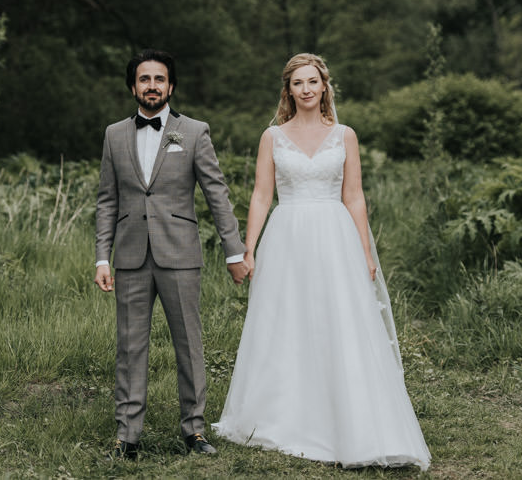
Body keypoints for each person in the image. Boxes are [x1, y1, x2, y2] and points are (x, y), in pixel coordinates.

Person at [213, 53, 431, 470]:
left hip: (335, 236)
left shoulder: (344, 135)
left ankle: (351, 418)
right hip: (287, 235)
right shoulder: (272, 137)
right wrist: (249, 247)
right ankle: (285, 414)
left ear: (325, 86)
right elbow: (262, 195)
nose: (307, 89)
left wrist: (366, 253)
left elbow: (354, 196)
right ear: (288, 91)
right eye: (298, 83)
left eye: (313, 81)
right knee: (287, 321)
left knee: (340, 320)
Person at [95, 49, 249, 460]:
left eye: (159, 79)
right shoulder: (113, 135)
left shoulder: (194, 132)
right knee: (129, 347)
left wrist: (235, 251)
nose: (151, 86)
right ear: (133, 87)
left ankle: (194, 431)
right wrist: (101, 257)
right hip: (129, 257)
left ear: (170, 86)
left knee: (188, 344)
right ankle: (127, 436)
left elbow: (217, 194)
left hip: (180, 255)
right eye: (144, 79)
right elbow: (107, 201)